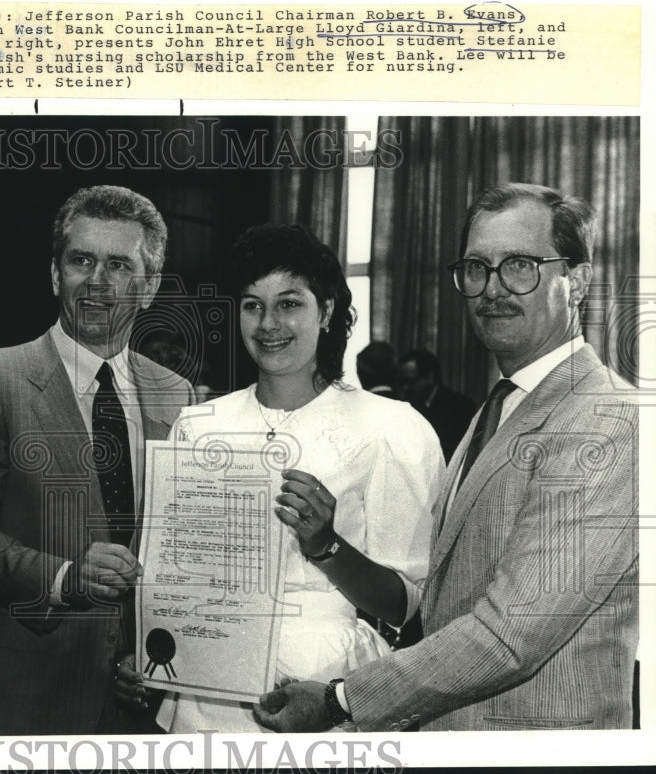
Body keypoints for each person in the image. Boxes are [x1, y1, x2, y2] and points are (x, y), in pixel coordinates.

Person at [255, 183, 639, 732]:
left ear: (575, 282)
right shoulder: (499, 408)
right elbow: (441, 602)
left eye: (521, 266)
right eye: (478, 267)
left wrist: (342, 699)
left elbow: (511, 636)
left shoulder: (607, 420)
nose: (493, 288)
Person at [116, 223, 444, 732]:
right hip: (204, 688)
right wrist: (144, 653)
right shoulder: (200, 423)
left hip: (320, 685)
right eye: (252, 305)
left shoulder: (391, 427)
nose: (269, 323)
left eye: (289, 303)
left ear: (327, 310)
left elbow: (406, 605)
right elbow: (170, 579)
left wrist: (325, 546)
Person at [0, 185, 195, 735]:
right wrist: (65, 578)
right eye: (81, 260)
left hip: (141, 700)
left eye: (119, 265)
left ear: (148, 289)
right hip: (25, 695)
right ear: (56, 276)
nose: (98, 281)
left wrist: (159, 656)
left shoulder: (179, 396)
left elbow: (183, 551)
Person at [396, 348, 476, 459]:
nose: (405, 388)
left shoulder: (460, 406)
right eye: (402, 382)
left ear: (430, 377)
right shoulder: (408, 406)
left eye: (411, 381)